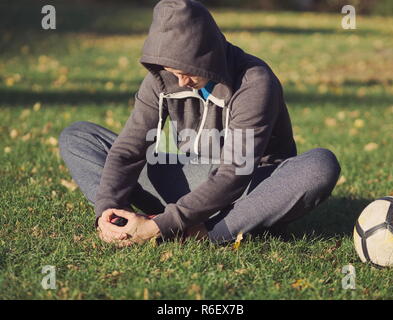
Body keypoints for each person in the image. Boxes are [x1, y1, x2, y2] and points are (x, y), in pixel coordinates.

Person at [58, 0, 341, 247]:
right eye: (172, 71)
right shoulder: (161, 78)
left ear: (209, 54)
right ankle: (123, 225)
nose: (181, 81)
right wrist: (108, 207)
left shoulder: (254, 82)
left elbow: (235, 173)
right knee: (79, 136)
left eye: (186, 71)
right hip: (192, 177)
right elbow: (128, 150)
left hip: (248, 191)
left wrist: (161, 226)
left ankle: (206, 232)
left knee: (319, 166)